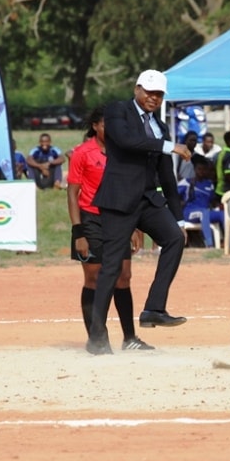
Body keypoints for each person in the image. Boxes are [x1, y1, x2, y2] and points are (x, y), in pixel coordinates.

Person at [85, 69, 193, 356]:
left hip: (148, 200)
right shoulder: (117, 112)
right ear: (137, 90)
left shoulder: (159, 126)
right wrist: (171, 146)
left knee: (174, 238)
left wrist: (179, 217)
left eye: (159, 94)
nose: (153, 98)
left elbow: (166, 175)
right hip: (119, 201)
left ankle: (154, 309)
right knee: (112, 268)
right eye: (149, 92)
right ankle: (97, 336)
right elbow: (128, 141)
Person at [67, 107, 153, 351]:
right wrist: (78, 232)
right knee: (94, 278)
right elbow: (72, 194)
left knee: (123, 277)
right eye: (106, 125)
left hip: (120, 219)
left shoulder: (124, 153)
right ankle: (97, 338)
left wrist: (137, 226)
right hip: (91, 220)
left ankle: (130, 339)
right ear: (95, 126)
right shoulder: (82, 153)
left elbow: (133, 189)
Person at [214, 130, 230, 198]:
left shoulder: (222, 152)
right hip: (226, 190)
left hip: (219, 188)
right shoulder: (229, 155)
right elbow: (228, 175)